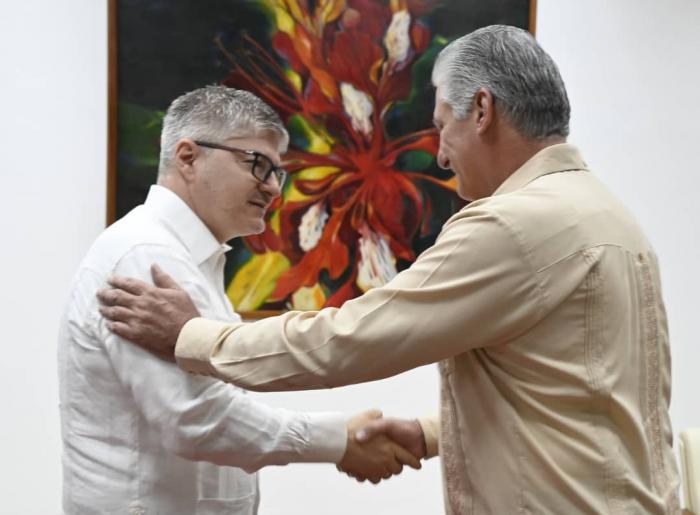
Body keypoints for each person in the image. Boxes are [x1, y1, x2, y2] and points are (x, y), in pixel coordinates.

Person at [98, 26, 681, 513]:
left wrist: (190, 336)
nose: (443, 154)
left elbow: (347, 340)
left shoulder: (513, 225)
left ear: (482, 110)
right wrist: (432, 434)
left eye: (441, 126)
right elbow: (584, 395)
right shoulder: (610, 216)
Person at [58, 86, 420, 515]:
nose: (273, 190)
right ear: (188, 157)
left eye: (277, 173)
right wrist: (338, 440)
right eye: (256, 165)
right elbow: (197, 419)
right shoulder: (146, 257)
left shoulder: (187, 256)